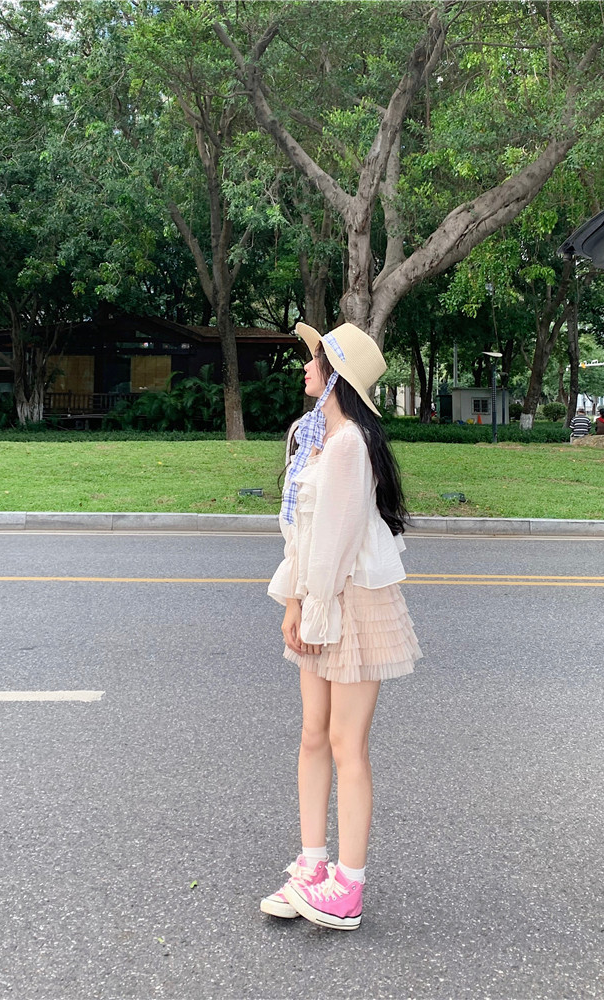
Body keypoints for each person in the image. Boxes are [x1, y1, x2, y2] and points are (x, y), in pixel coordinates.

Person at [261, 322, 421, 932]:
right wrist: (293, 601)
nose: (306, 367)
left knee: (346, 743)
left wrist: (311, 606)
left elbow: (335, 542)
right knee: (312, 735)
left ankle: (348, 886)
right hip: (316, 596)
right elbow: (300, 534)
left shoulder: (351, 444)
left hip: (351, 601)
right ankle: (312, 866)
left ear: (337, 377)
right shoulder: (310, 438)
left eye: (316, 359)